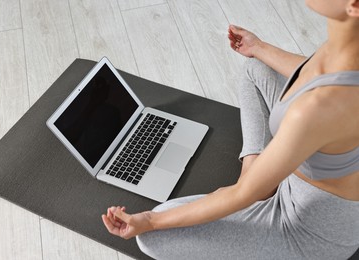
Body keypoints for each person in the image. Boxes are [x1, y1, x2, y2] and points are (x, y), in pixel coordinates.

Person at [102, 0, 359, 259]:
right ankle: (256, 173)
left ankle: (258, 180)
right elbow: (312, 74)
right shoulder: (348, 44)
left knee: (152, 237)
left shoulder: (315, 109)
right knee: (256, 67)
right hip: (316, 185)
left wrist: (149, 220)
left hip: (305, 233)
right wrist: (258, 47)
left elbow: (241, 195)